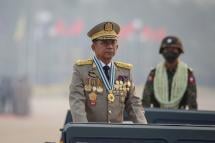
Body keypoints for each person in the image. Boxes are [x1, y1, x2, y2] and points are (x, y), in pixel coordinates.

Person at [69, 21, 147, 123]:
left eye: (112, 42)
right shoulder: (81, 70)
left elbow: (133, 104)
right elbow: (77, 102)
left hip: (117, 134)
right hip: (91, 133)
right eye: (105, 43)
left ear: (117, 47)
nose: (110, 46)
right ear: (93, 47)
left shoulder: (125, 72)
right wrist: (84, 131)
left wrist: (143, 129)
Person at [142, 36, 198, 109]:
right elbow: (146, 99)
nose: (170, 51)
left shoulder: (187, 73)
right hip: (157, 115)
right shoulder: (155, 73)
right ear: (162, 51)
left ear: (179, 51)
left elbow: (192, 102)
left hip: (180, 115)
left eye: (173, 49)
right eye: (167, 49)